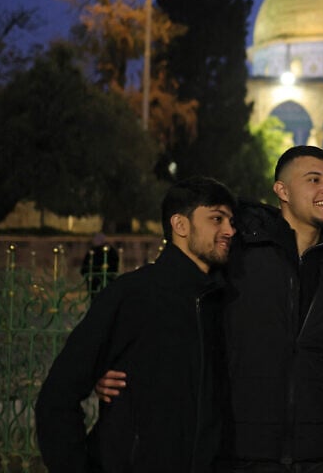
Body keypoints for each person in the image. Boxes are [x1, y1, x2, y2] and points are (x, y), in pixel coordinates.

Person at [96, 146, 323, 473]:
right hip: (240, 451)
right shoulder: (238, 255)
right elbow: (174, 306)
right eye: (314, 179)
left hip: (315, 456)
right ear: (282, 191)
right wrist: (115, 362)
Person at [35, 177, 236, 473]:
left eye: (231, 221)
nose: (230, 230)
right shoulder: (133, 295)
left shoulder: (227, 302)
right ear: (180, 225)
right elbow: (58, 397)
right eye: (217, 218)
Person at [80, 232, 120, 299]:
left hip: (105, 277)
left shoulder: (109, 251)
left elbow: (113, 264)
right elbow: (86, 265)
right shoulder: (92, 251)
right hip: (94, 277)